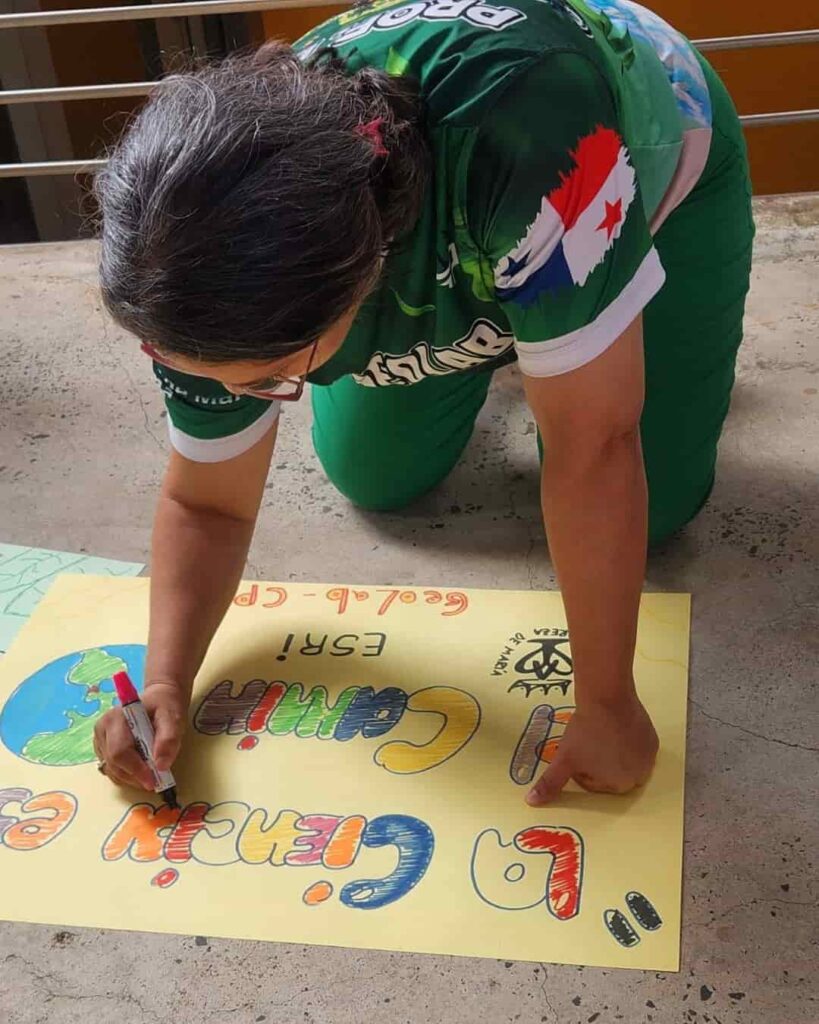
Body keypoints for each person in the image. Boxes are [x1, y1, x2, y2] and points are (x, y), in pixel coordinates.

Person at [92, 0, 754, 805]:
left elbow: (596, 445)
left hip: (630, 154)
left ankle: (539, 323)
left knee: (657, 506)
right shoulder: (193, 267)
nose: (243, 399)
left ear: (361, 282)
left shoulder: (532, 142)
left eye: (272, 376)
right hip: (466, 233)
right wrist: (164, 677)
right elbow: (207, 506)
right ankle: (528, 327)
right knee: (377, 477)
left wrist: (607, 701)